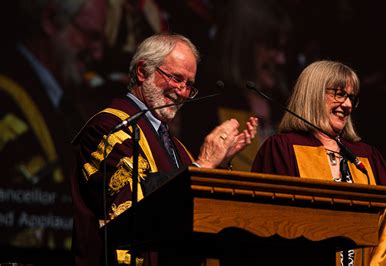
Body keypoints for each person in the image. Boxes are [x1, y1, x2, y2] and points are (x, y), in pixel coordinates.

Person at [70, 33, 258, 266]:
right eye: (176, 78)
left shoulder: (176, 146)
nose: (182, 92)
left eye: (189, 85)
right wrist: (203, 165)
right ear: (142, 71)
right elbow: (134, 206)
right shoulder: (110, 128)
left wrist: (216, 166)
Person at [252, 60, 386, 265]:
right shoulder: (283, 150)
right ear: (313, 94)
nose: (347, 105)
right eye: (339, 94)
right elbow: (269, 226)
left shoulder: (367, 157)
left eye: (351, 98)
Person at [0, 0, 107, 256]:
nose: (98, 54)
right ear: (50, 21)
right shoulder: (7, 96)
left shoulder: (68, 101)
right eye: (90, 36)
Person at [180, 0, 292, 172]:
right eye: (272, 47)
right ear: (244, 46)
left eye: (283, 49)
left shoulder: (284, 105)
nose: (280, 59)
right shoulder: (208, 103)